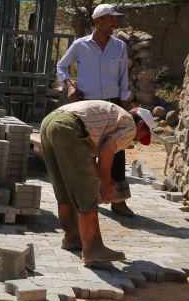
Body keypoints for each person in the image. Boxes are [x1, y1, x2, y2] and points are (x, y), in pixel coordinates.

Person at [39, 100, 155, 265]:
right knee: (88, 190)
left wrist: (104, 176)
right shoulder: (130, 126)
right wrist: (104, 183)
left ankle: (72, 237)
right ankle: (93, 247)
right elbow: (106, 149)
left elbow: (88, 153)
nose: (138, 139)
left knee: (64, 185)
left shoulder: (114, 117)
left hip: (50, 123)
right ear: (141, 124)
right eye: (143, 134)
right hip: (68, 127)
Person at [55, 3, 137, 217]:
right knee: (88, 152)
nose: (114, 23)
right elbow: (61, 67)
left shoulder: (119, 46)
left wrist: (124, 107)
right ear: (98, 20)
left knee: (116, 151)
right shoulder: (80, 45)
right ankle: (90, 197)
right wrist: (70, 86)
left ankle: (118, 201)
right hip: (86, 107)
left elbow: (122, 79)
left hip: (111, 106)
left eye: (115, 19)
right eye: (111, 19)